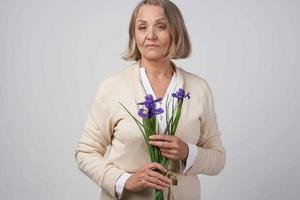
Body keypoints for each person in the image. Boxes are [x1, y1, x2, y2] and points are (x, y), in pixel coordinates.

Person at [75, 0, 226, 199]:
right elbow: (85, 152)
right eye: (142, 27)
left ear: (176, 32)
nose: (150, 36)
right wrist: (124, 180)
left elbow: (218, 159)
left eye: (161, 26)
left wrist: (188, 152)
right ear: (134, 35)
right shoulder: (112, 87)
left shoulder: (199, 88)